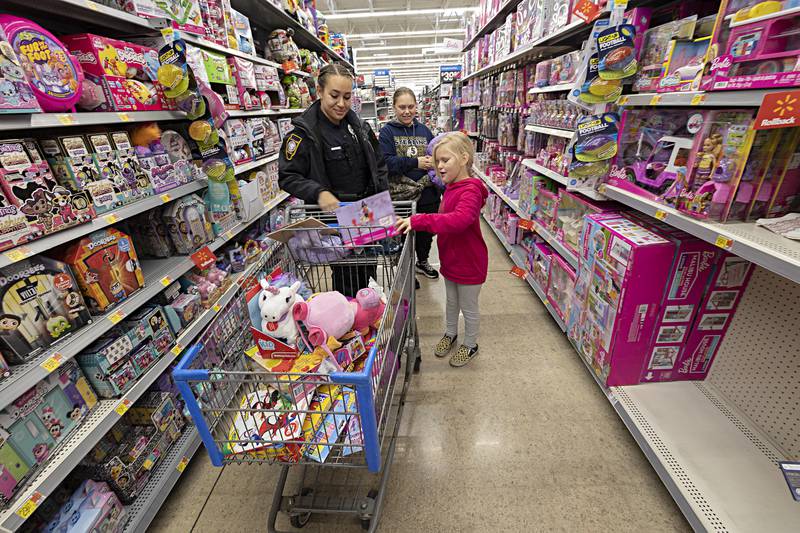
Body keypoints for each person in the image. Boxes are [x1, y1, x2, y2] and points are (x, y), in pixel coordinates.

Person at [278, 62, 389, 297]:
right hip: (335, 222)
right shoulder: (303, 133)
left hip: (366, 213)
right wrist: (318, 192)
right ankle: (348, 323)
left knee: (369, 274)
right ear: (319, 92)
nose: (341, 104)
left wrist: (383, 198)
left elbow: (378, 163)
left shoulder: (358, 126)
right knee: (346, 278)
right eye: (334, 96)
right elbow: (288, 176)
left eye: (347, 97)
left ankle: (367, 321)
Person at [395, 133, 488, 367]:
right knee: (451, 302)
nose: (439, 166)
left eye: (445, 160)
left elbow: (458, 220)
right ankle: (450, 333)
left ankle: (470, 344)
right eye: (437, 161)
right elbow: (446, 219)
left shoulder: (471, 190)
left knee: (468, 307)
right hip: (452, 259)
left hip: (470, 261)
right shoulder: (452, 187)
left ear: (464, 158)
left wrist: (420, 220)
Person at [378, 88, 440, 280]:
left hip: (427, 193)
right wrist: (416, 162)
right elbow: (386, 162)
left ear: (416, 107)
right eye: (402, 107)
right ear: (394, 108)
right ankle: (405, 269)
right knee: (402, 234)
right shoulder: (387, 132)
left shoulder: (424, 130)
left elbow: (436, 156)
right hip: (400, 195)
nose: (407, 111)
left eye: (411, 106)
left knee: (425, 232)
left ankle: (422, 261)